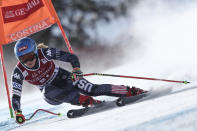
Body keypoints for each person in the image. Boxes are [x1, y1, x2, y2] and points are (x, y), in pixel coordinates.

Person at [11, 37, 146, 124]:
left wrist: (76, 69)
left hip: (63, 77)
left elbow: (70, 57)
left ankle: (130, 91)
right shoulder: (18, 72)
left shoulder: (45, 54)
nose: (28, 61)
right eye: (23, 59)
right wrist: (18, 111)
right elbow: (16, 94)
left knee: (93, 89)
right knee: (47, 91)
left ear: (35, 52)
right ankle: (89, 102)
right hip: (52, 93)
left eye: (29, 56)